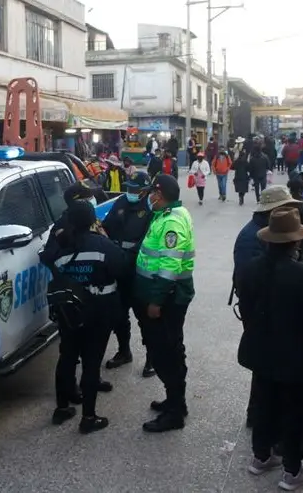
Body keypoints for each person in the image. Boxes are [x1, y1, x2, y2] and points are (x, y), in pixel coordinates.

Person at [236, 209, 303, 490]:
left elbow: (247, 311)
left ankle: (261, 456)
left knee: (263, 405)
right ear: (295, 243)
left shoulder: (250, 269)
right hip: (294, 357)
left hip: (260, 350)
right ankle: (292, 470)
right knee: (293, 411)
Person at [40, 200, 127, 434]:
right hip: (99, 310)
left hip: (69, 310)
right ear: (92, 220)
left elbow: (49, 262)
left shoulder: (60, 247)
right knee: (91, 362)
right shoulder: (103, 245)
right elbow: (121, 269)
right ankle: (88, 417)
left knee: (67, 356)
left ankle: (62, 408)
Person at [135, 174, 196, 432]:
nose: (150, 198)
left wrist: (156, 300)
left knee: (165, 353)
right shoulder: (167, 214)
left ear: (159, 195)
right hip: (162, 296)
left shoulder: (171, 221)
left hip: (166, 298)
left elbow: (170, 265)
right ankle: (175, 402)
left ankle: (174, 413)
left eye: (152, 194)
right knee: (170, 348)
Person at [101, 172, 156, 377]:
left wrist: (132, 255)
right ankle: (124, 351)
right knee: (118, 314)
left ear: (144, 191)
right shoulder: (121, 202)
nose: (130, 192)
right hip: (118, 266)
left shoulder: (151, 207)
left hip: (138, 269)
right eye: (129, 188)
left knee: (144, 317)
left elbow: (151, 238)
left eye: (134, 189)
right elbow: (107, 227)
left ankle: (152, 358)